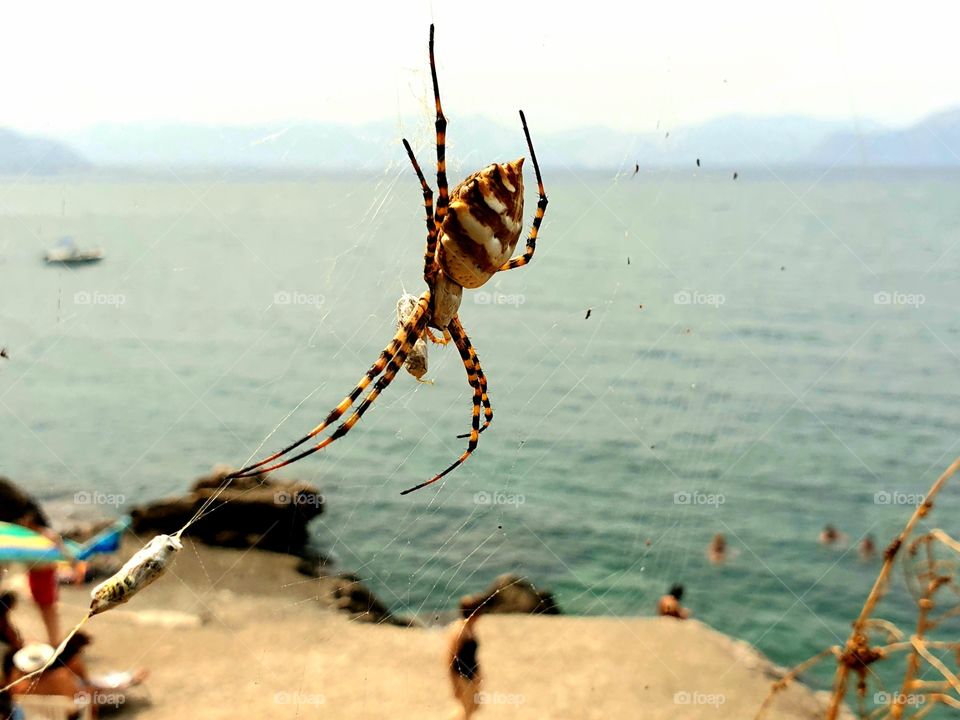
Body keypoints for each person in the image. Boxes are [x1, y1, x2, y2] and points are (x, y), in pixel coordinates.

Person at [447, 602, 483, 719]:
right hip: (461, 675)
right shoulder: (459, 631)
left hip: (471, 673)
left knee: (475, 705)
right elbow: (450, 657)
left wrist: (479, 673)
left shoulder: (471, 629)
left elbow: (473, 655)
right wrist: (454, 682)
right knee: (466, 708)